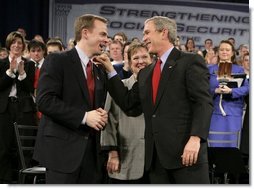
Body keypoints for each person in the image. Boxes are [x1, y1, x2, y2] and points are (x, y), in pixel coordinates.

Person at [97, 16, 213, 184]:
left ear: (163, 33)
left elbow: (203, 103)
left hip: (186, 155)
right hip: (156, 161)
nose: (144, 38)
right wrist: (110, 71)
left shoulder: (190, 61)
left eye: (147, 32)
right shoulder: (146, 73)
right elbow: (129, 104)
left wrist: (195, 138)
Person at [33, 14, 109, 184]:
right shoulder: (58, 60)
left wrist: (100, 113)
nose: (107, 40)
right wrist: (84, 117)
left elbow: (94, 107)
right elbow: (44, 101)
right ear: (85, 33)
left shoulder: (98, 70)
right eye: (103, 34)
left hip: (92, 156)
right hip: (62, 153)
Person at [101, 42, 151, 184]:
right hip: (126, 158)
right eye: (135, 58)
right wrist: (112, 152)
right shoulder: (120, 86)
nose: (140, 61)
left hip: (155, 163)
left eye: (144, 57)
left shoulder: (160, 88)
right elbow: (109, 121)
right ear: (128, 63)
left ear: (151, 60)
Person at [0, 31, 37, 183]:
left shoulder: (29, 64)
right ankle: (5, 180)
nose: (17, 45)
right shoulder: (1, 63)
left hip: (24, 109)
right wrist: (10, 72)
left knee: (24, 146)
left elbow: (28, 88)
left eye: (20, 43)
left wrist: (22, 73)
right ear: (9, 45)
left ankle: (24, 181)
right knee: (4, 147)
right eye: (14, 43)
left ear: (23, 46)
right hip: (5, 109)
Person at [207, 40, 249, 148]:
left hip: (233, 114)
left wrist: (232, 91)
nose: (224, 52)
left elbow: (248, 88)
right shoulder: (209, 69)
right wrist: (215, 90)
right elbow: (202, 89)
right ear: (218, 52)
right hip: (214, 114)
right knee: (214, 148)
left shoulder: (239, 70)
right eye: (221, 49)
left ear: (232, 53)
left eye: (227, 50)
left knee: (231, 149)